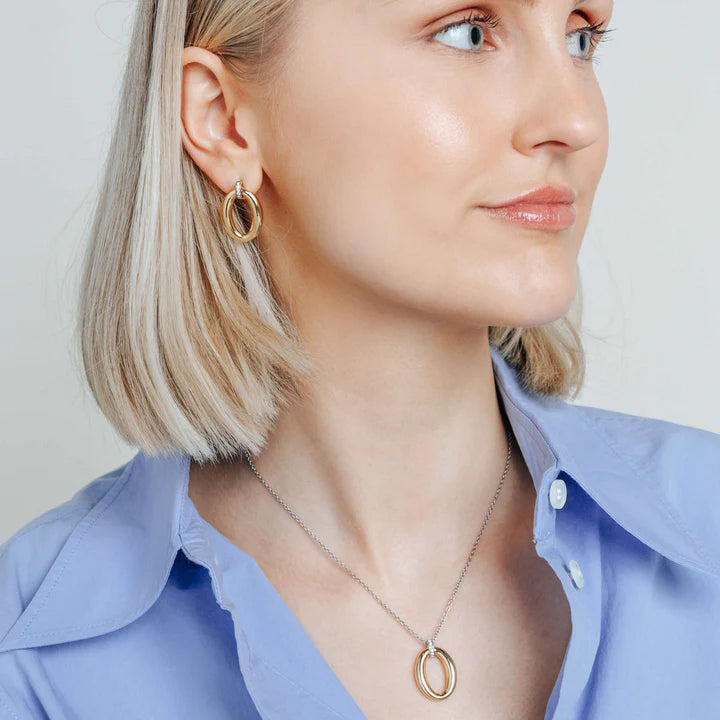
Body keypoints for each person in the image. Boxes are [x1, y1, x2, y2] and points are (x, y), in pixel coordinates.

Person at [1, 0, 719, 718]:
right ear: (223, 119)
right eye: (468, 33)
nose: (575, 120)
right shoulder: (34, 667)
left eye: (580, 37)